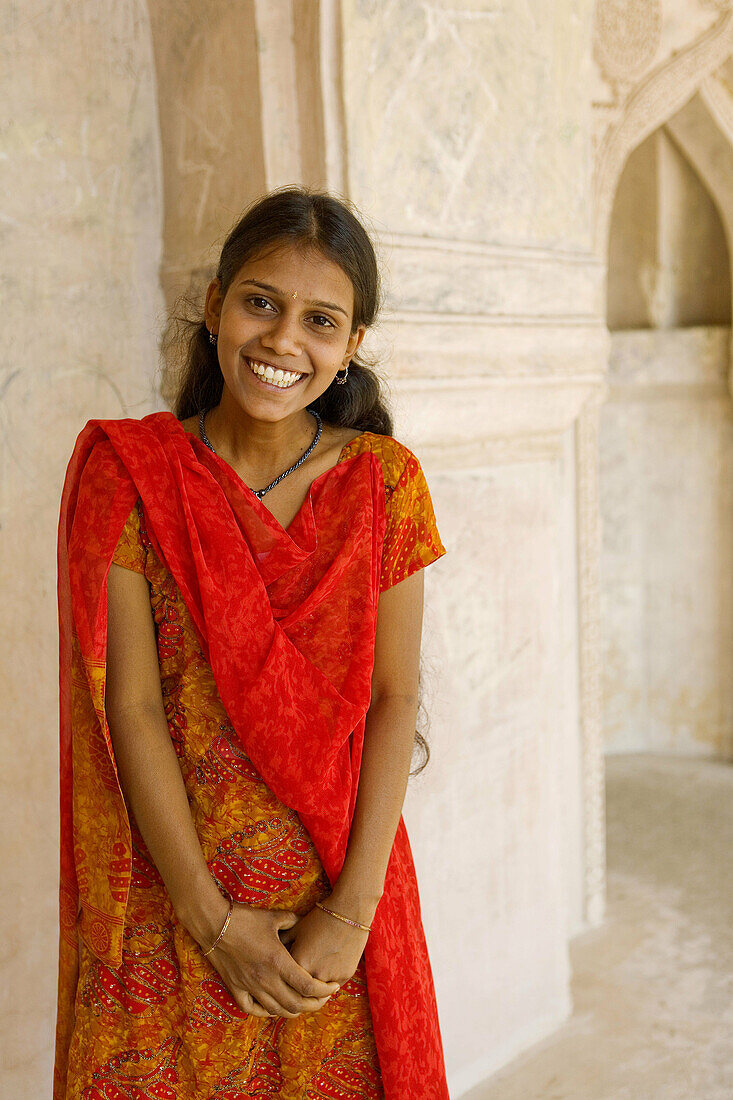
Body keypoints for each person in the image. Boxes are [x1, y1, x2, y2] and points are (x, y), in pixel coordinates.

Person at [54, 187, 450, 1099]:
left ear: (351, 348)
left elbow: (395, 698)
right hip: (173, 903)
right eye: (260, 302)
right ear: (215, 305)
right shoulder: (133, 471)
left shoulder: (383, 484)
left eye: (320, 320)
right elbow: (134, 706)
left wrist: (351, 915)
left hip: (331, 910)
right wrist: (211, 917)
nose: (281, 341)